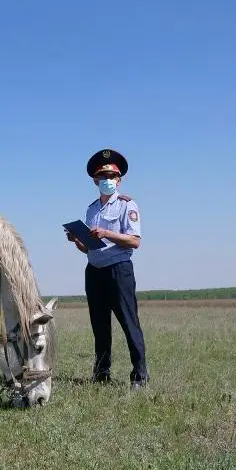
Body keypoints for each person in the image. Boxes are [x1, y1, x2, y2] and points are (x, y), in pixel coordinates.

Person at [65, 148, 149, 391]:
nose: (107, 181)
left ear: (119, 179)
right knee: (99, 324)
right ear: (95, 180)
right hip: (94, 271)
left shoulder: (127, 205)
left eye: (111, 177)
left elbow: (135, 241)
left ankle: (140, 374)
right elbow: (90, 248)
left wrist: (107, 233)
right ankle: (102, 372)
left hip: (119, 270)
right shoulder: (91, 209)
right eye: (102, 177)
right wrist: (78, 241)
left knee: (128, 322)